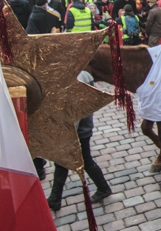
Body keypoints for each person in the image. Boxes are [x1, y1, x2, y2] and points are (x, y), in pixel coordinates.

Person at [47, 71, 113, 211]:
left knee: (75, 161)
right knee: (67, 162)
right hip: (81, 129)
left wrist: (67, 136)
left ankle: (56, 198)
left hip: (77, 131)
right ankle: (55, 198)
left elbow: (74, 113)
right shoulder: (84, 74)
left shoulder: (73, 79)